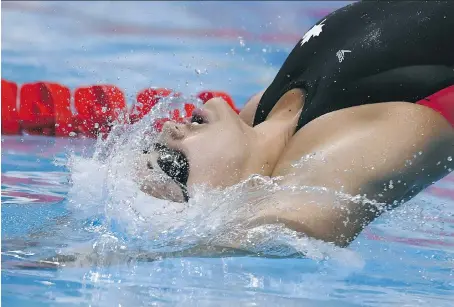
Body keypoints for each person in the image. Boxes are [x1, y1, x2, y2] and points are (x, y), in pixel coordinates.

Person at [137, 1, 454, 247]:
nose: (169, 131)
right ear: (220, 201)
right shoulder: (332, 153)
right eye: (173, 161)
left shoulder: (263, 113)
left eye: (156, 148)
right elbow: (293, 221)